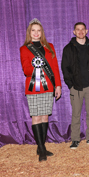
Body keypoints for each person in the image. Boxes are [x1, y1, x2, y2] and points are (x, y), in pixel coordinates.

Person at [20, 18, 62, 162]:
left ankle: (41, 146)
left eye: (38, 30)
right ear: (29, 33)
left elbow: (55, 67)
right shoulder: (24, 48)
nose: (36, 33)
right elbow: (26, 70)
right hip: (33, 87)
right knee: (36, 117)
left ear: (41, 32)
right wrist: (36, 64)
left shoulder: (49, 47)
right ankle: (42, 148)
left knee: (45, 116)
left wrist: (58, 85)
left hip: (48, 85)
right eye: (33, 30)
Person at [61, 22, 89, 149]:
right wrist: (70, 84)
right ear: (74, 32)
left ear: (86, 31)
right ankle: (75, 139)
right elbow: (65, 68)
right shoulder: (68, 48)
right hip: (76, 87)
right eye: (78, 29)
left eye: (82, 29)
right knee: (76, 114)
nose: (80, 31)